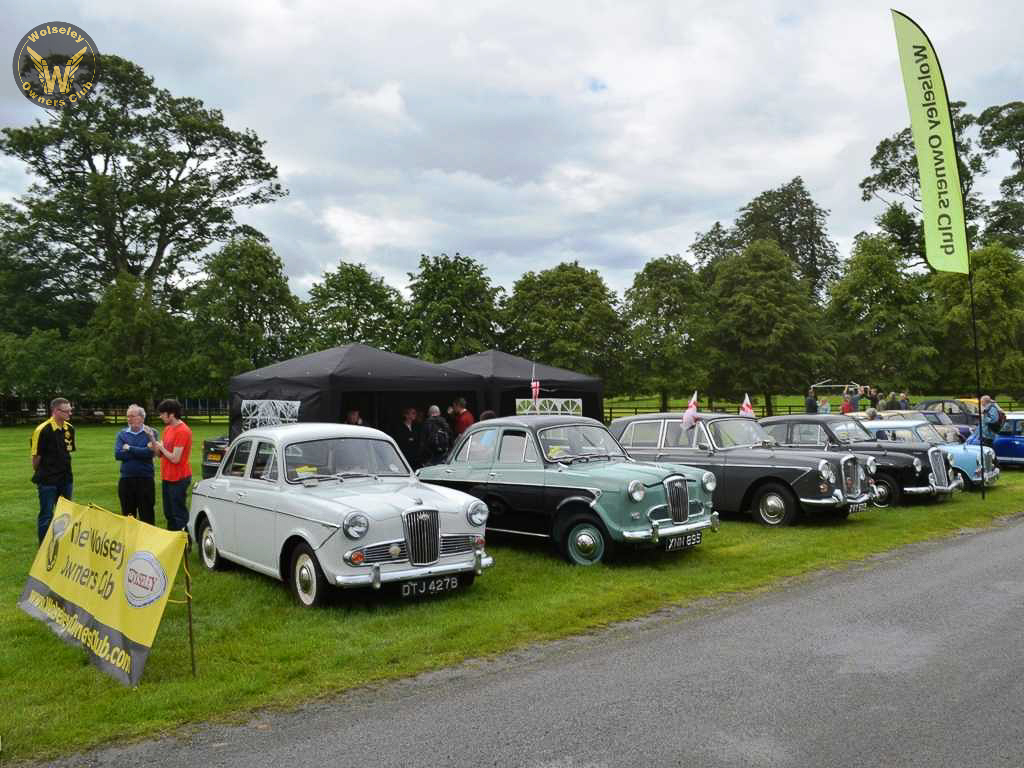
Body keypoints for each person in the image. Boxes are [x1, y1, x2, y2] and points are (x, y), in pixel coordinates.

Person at [30, 398, 76, 543]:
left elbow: (67, 452)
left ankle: (63, 543)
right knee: (46, 514)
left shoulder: (70, 429)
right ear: (56, 411)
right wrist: (43, 473)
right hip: (48, 480)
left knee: (66, 513)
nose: (70, 413)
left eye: (70, 410)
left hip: (66, 479)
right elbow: (36, 458)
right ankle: (43, 546)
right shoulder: (42, 430)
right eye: (66, 410)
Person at [149, 399, 193, 532]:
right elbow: (160, 455)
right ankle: (172, 542)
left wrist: (161, 448)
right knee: (168, 513)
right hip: (167, 476)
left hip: (179, 478)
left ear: (172, 414)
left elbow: (175, 458)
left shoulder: (183, 431)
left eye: (162, 413)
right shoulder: (167, 429)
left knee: (178, 514)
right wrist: (153, 443)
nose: (160, 416)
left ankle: (184, 542)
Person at [115, 404, 156, 525]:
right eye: (128, 416)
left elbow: (150, 454)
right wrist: (142, 451)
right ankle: (130, 542)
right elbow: (118, 455)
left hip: (145, 478)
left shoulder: (151, 433)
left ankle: (148, 542)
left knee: (147, 514)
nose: (129, 419)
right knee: (128, 515)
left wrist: (129, 448)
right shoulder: (121, 434)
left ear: (142, 418)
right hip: (126, 479)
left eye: (132, 416)